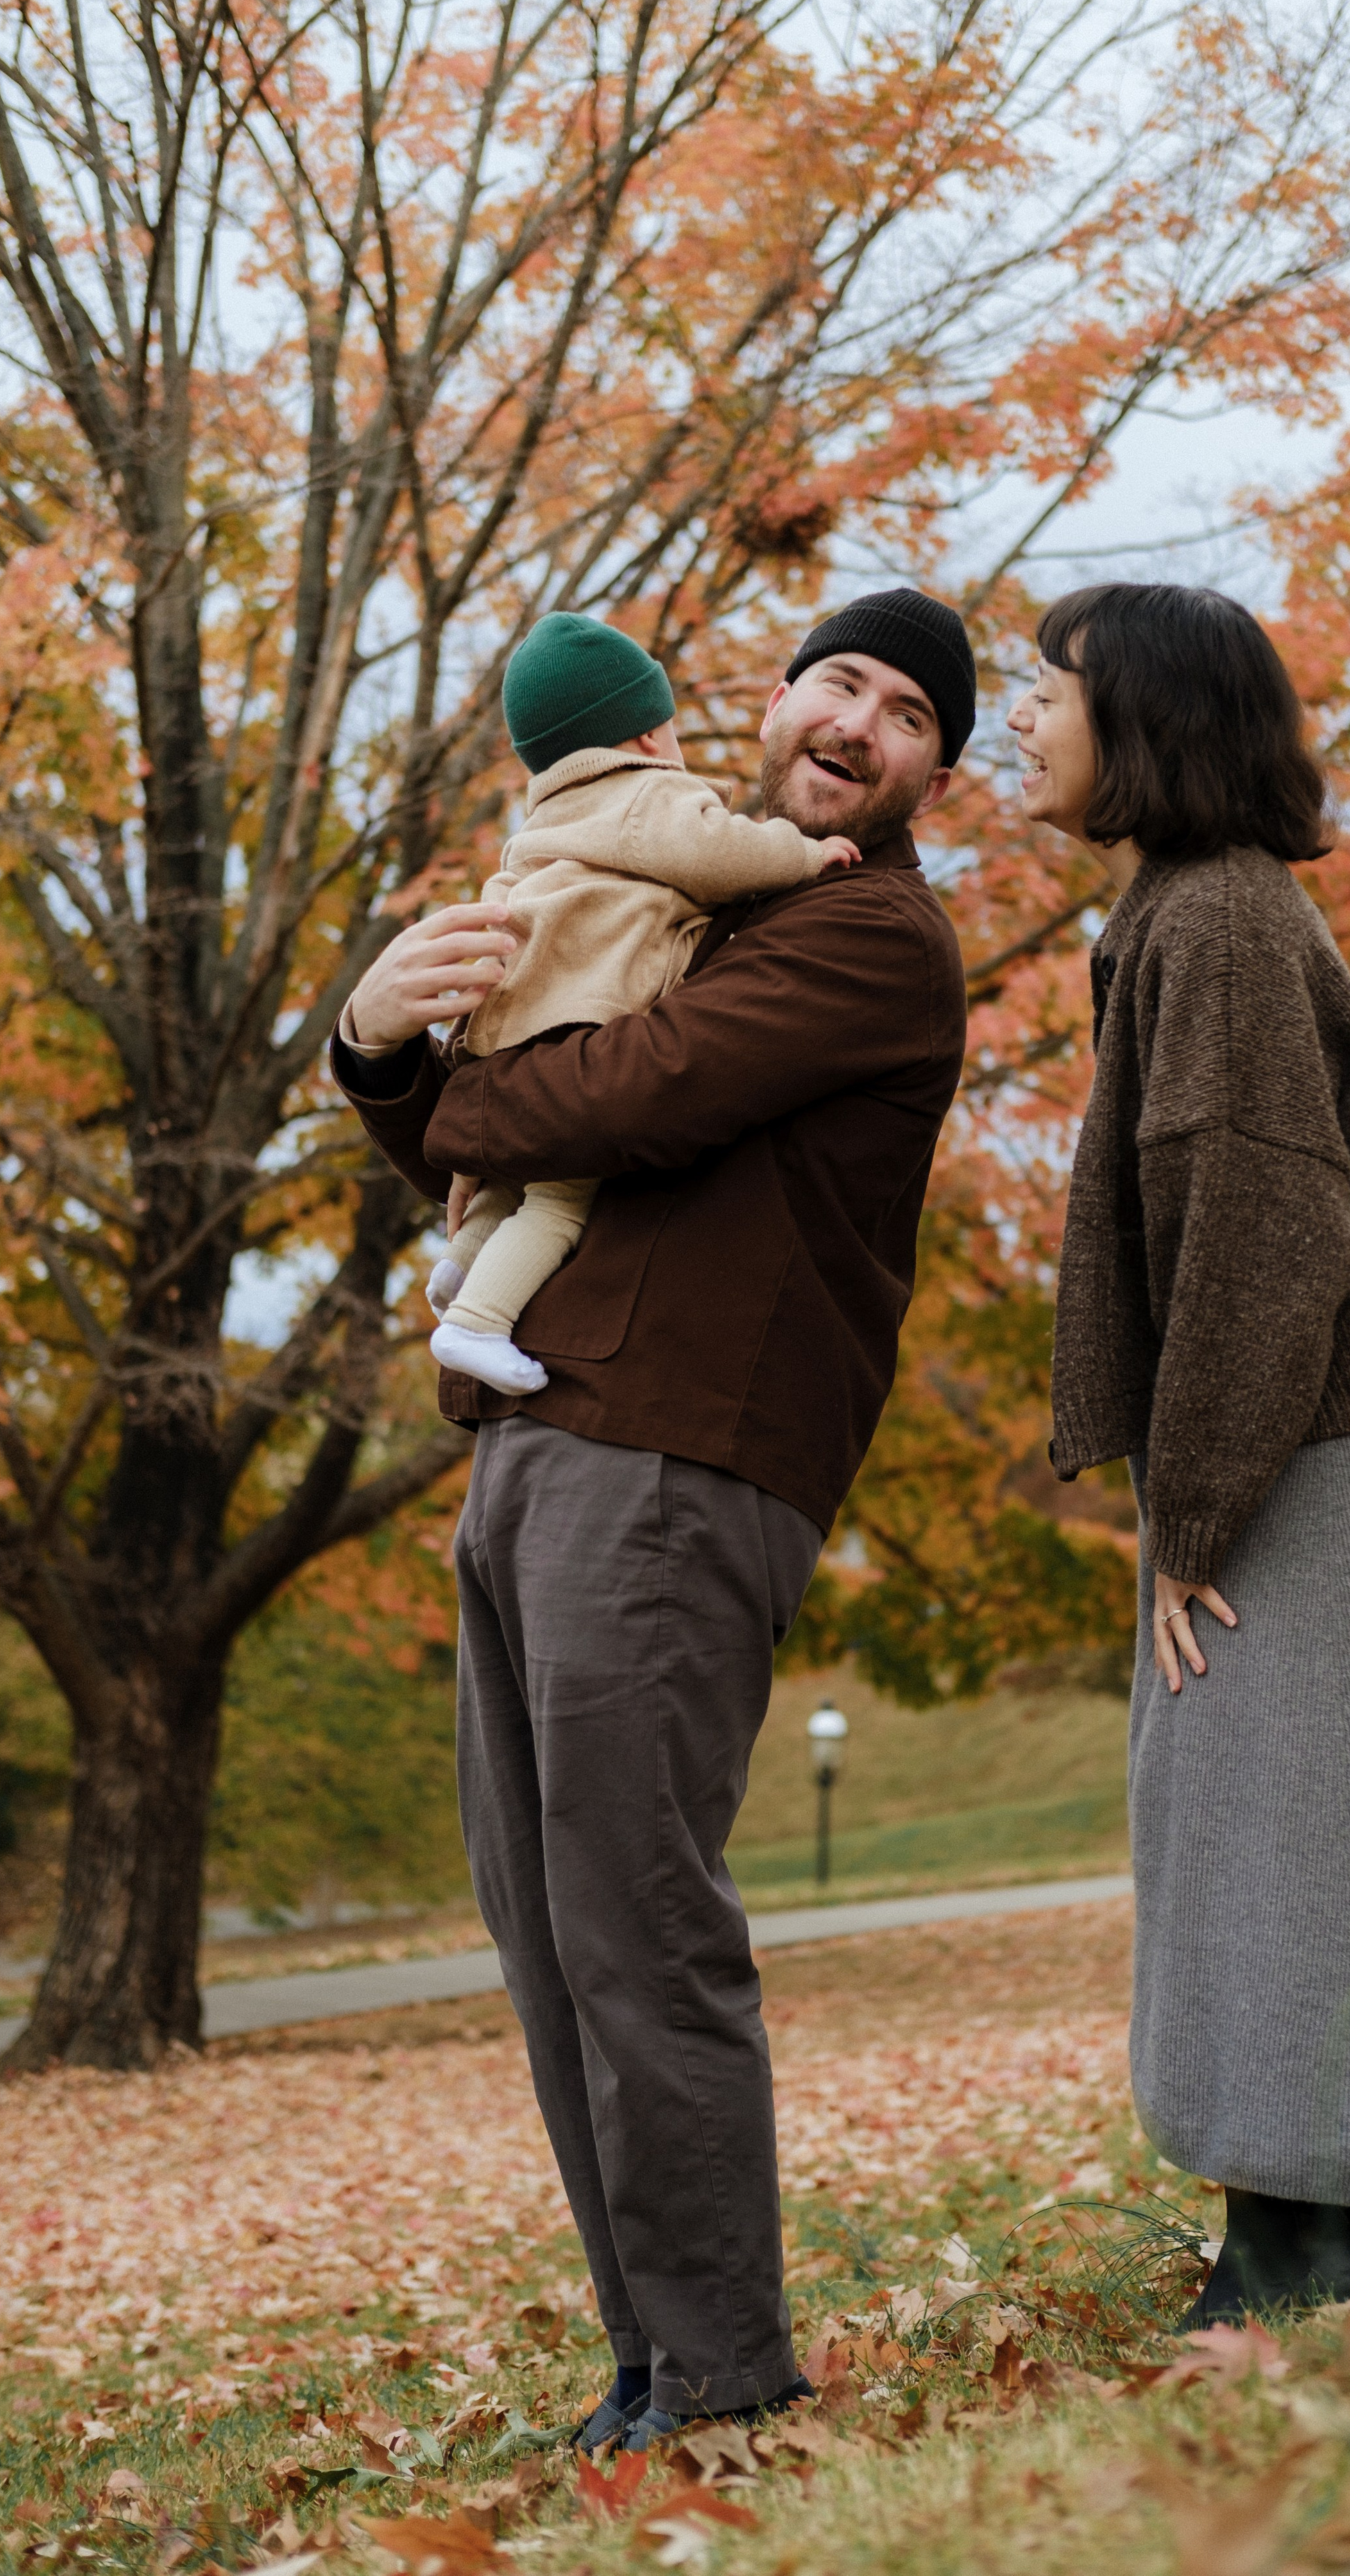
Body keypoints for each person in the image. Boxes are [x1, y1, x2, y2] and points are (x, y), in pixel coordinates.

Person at [334, 589, 973, 2442]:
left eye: (913, 713)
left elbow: (629, 1096)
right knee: (545, 1932)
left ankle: (720, 2370)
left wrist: (404, 1063)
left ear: (930, 773)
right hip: (539, 1438)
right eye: (841, 681)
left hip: (684, 1462)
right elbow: (522, 1121)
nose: (862, 722)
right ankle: (647, 2353)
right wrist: (385, 1054)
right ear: (767, 706)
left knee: (636, 1923)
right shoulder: (680, 903)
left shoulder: (869, 931)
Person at [1011, 581, 1350, 2326]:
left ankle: (1298, 2237)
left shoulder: (1214, 922)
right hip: (1338, 1399)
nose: (1023, 719)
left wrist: (1194, 1520)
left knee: (1264, 1802)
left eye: (1047, 690)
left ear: (1140, 719)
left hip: (1326, 1410)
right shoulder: (1184, 907)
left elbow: (1262, 1235)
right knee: (1322, 1794)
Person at [415, 611, 857, 1396]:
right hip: (578, 1023)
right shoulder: (649, 796)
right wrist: (804, 852)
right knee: (561, 1196)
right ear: (649, 736)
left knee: (513, 1179)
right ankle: (478, 1319)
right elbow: (718, 853)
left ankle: (459, 1264)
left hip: (509, 1022)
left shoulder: (544, 822)